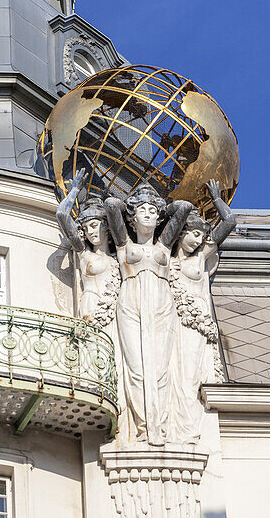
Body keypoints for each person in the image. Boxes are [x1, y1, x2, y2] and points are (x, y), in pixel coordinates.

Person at [105, 184, 192, 445]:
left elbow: (184, 208)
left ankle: (160, 428)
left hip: (162, 305)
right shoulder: (124, 245)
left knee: (160, 369)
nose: (146, 214)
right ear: (131, 218)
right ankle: (142, 427)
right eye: (141, 210)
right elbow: (111, 205)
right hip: (130, 304)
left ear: (159, 217)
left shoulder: (164, 246)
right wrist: (130, 204)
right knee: (136, 369)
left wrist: (163, 208)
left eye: (152, 211)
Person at [169, 179, 237, 442]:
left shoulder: (201, 256)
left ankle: (190, 429)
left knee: (193, 375)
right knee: (177, 375)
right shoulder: (167, 258)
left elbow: (229, 223)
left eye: (200, 235)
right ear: (181, 232)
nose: (196, 240)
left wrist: (217, 198)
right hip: (174, 322)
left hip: (198, 325)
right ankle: (180, 425)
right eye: (192, 234)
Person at [56, 168, 120, 329]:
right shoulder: (84, 253)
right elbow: (62, 215)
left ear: (105, 225)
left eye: (93, 225)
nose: (90, 232)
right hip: (91, 307)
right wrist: (75, 190)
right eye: (85, 229)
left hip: (115, 309)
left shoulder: (118, 257)